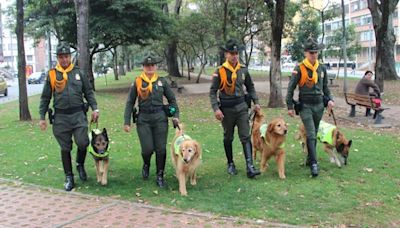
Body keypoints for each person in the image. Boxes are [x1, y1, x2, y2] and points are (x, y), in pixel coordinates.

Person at [39, 42, 99, 191]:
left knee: (83, 142)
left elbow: (88, 92)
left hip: (78, 115)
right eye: (61, 57)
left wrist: (95, 108)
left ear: (70, 57)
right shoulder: (52, 74)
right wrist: (42, 116)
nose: (64, 60)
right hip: (61, 118)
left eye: (66, 57)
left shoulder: (78, 72)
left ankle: (79, 164)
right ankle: (69, 177)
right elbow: (45, 97)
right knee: (65, 147)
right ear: (58, 58)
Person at [123, 54, 179, 188]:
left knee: (161, 149)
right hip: (144, 119)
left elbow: (172, 100)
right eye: (147, 66)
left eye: (152, 65)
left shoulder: (162, 81)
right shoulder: (137, 81)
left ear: (156, 67)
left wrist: (176, 115)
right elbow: (130, 102)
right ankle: (146, 163)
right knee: (147, 149)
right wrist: (127, 121)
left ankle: (160, 175)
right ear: (143, 67)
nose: (150, 68)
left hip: (160, 118)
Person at [209, 39, 261, 179]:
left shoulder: (243, 70)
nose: (234, 56)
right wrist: (216, 109)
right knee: (228, 137)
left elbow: (250, 87)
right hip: (226, 110)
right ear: (226, 54)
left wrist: (256, 101)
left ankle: (250, 166)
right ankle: (230, 163)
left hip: (241, 107)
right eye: (232, 53)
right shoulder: (220, 71)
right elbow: (213, 91)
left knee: (245, 136)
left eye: (236, 53)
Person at [286, 37, 334, 177]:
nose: (314, 55)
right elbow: (290, 89)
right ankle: (314, 163)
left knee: (314, 132)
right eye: (311, 52)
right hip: (305, 106)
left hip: (319, 106)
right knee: (311, 133)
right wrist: (290, 105)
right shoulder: (299, 68)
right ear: (306, 53)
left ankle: (309, 158)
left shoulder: (322, 68)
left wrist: (330, 100)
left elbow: (325, 88)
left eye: (316, 52)